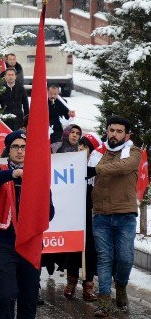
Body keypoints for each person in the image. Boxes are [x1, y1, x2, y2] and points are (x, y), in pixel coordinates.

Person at [0, 130, 55, 319]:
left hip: (30, 244)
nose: (20, 151)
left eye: (24, 147)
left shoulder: (38, 177)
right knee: (7, 295)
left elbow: (49, 212)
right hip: (5, 245)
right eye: (15, 147)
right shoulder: (0, 170)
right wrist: (14, 174)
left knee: (29, 297)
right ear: (9, 149)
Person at [89, 116, 142, 317]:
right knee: (104, 259)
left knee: (125, 258)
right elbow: (85, 175)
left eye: (119, 131)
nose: (114, 135)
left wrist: (98, 169)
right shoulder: (97, 153)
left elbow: (125, 167)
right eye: (112, 130)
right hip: (101, 214)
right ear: (107, 131)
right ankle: (103, 302)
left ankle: (121, 286)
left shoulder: (133, 151)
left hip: (125, 215)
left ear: (126, 135)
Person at [63, 133, 101, 302]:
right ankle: (71, 282)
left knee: (90, 250)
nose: (80, 149)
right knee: (73, 247)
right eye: (80, 145)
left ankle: (88, 285)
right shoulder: (72, 166)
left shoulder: (97, 168)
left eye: (85, 146)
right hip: (74, 213)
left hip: (91, 214)